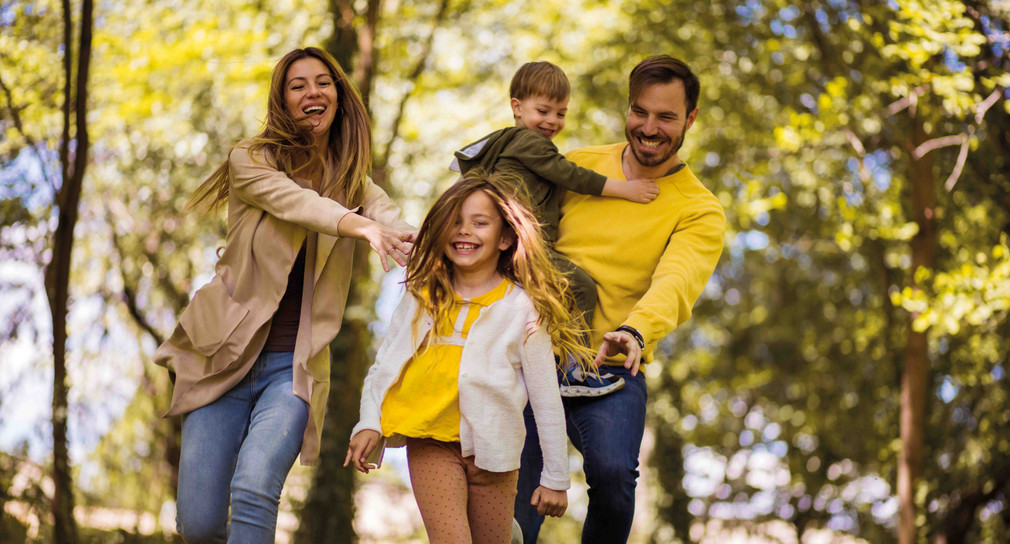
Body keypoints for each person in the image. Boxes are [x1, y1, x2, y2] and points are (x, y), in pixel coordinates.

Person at [152, 47, 416, 544]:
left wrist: (438, 243)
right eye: (298, 85)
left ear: (339, 97)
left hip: (291, 369)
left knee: (255, 488)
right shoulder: (250, 161)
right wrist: (361, 226)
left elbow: (396, 224)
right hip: (221, 359)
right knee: (200, 524)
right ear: (282, 101)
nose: (313, 92)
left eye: (323, 82)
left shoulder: (354, 181)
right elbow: (299, 203)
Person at [514, 55, 727, 543]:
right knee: (516, 500)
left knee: (613, 478)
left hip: (610, 362)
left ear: (690, 119)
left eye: (666, 117)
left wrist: (635, 330)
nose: (649, 128)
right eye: (640, 112)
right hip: (533, 354)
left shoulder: (699, 209)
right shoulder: (578, 166)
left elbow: (676, 281)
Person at [345, 171, 593, 543]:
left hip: (497, 454)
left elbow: (545, 397)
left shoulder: (523, 308)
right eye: (455, 222)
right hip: (429, 439)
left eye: (480, 223)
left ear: (506, 237)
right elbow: (385, 365)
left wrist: (555, 478)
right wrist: (369, 422)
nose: (465, 231)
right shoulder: (422, 294)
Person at [451, 61, 661, 397]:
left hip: (508, 248)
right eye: (544, 110)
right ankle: (576, 369)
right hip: (525, 246)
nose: (552, 121)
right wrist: (627, 189)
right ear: (517, 108)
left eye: (561, 113)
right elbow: (572, 175)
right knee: (579, 286)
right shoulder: (528, 141)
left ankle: (537, 366)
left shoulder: (505, 144)